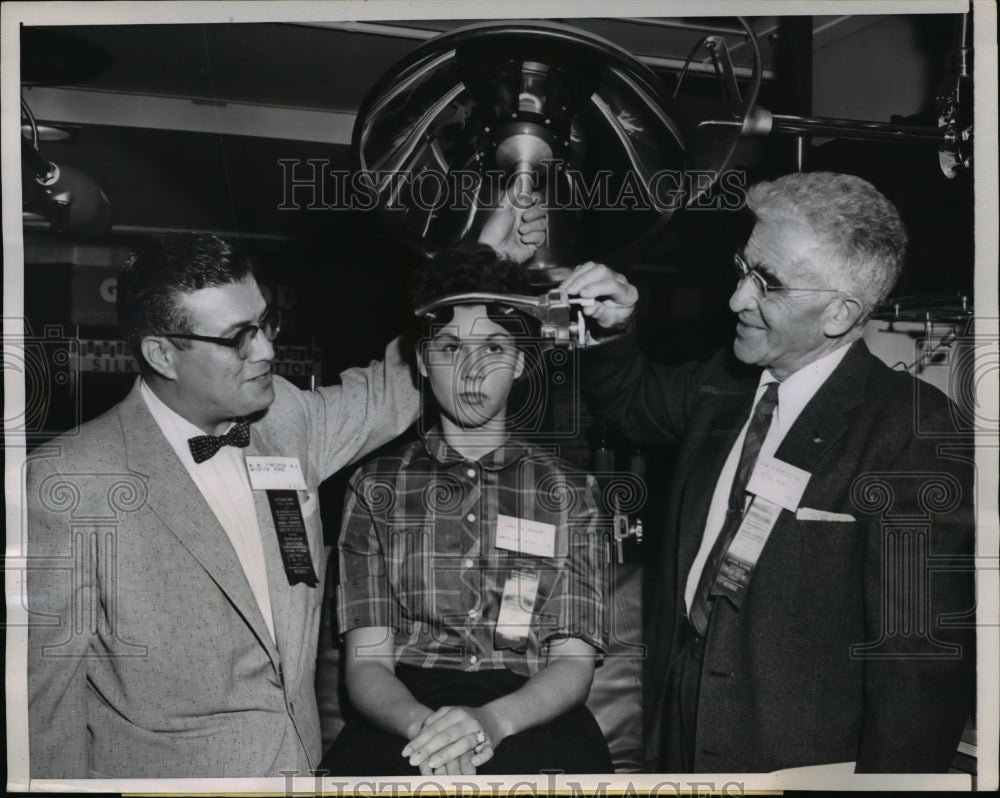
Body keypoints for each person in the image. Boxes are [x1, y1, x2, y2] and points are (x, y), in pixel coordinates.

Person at [26, 204, 546, 779]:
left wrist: (482, 267)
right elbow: (42, 706)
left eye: (265, 324)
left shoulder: (286, 420)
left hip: (302, 769)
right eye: (237, 339)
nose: (267, 352)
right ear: (161, 353)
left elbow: (391, 389)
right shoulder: (68, 477)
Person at [559, 171, 975, 773]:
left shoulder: (911, 431)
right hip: (678, 725)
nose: (736, 299)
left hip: (797, 758)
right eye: (742, 267)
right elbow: (632, 400)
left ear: (839, 313)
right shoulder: (725, 385)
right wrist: (614, 327)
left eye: (768, 283)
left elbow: (916, 663)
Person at [321, 243, 614, 776]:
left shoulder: (571, 492)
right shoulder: (374, 487)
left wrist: (490, 723)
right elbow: (367, 664)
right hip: (404, 711)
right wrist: (426, 730)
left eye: (494, 348)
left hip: (531, 709)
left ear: (522, 361)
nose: (473, 370)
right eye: (451, 348)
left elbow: (572, 663)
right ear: (421, 362)